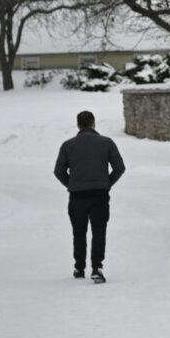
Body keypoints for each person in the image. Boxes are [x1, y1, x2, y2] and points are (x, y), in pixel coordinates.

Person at [54, 110, 125, 283]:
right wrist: (107, 183)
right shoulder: (106, 143)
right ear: (93, 123)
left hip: (77, 197)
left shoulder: (67, 145)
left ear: (78, 125)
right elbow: (119, 167)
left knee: (78, 233)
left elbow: (59, 171)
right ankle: (97, 267)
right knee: (98, 231)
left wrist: (71, 184)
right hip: (100, 196)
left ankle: (79, 268)